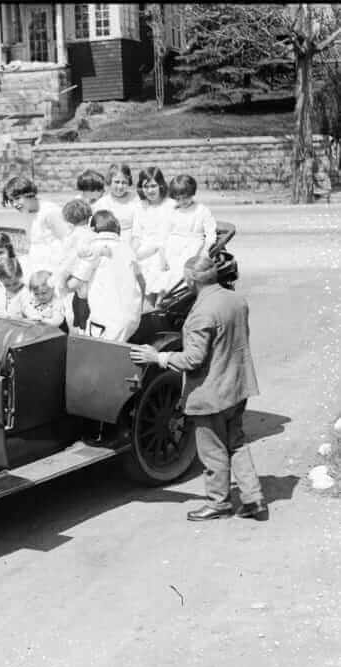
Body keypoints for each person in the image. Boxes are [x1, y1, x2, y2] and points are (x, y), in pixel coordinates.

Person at [129, 255, 265, 522]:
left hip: (211, 392)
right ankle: (254, 498)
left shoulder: (201, 313)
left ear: (191, 281)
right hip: (238, 385)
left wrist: (157, 357)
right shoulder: (235, 299)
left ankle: (218, 503)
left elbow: (193, 359)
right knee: (236, 443)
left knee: (212, 450)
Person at [84, 210, 143, 342]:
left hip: (105, 318)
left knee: (97, 354)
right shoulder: (127, 249)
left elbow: (80, 283)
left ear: (92, 229)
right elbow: (141, 281)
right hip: (130, 317)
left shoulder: (94, 247)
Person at [160, 174, 217, 293]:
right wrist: (162, 255)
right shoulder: (172, 211)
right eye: (178, 198)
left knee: (184, 274)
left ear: (192, 193)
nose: (182, 201)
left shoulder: (201, 210)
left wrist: (205, 249)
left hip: (193, 247)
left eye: (185, 197)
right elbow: (164, 235)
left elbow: (211, 234)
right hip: (173, 248)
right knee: (165, 276)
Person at [0, 176, 67, 275]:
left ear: (29, 194)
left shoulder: (50, 211)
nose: (15, 204)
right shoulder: (26, 214)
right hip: (38, 271)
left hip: (55, 271)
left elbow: (67, 240)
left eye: (18, 198)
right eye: (11, 200)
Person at [132, 166, 175, 308]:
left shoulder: (171, 205)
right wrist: (131, 254)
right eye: (146, 186)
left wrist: (163, 254)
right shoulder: (140, 207)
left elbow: (172, 235)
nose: (150, 190)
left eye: (153, 186)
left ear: (161, 185)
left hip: (166, 251)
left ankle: (159, 308)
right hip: (145, 252)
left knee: (161, 282)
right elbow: (137, 235)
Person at [92, 164, 142, 245]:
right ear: (110, 181)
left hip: (132, 243)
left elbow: (139, 229)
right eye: (117, 182)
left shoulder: (136, 200)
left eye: (124, 182)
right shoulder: (101, 204)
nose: (120, 186)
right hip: (108, 244)